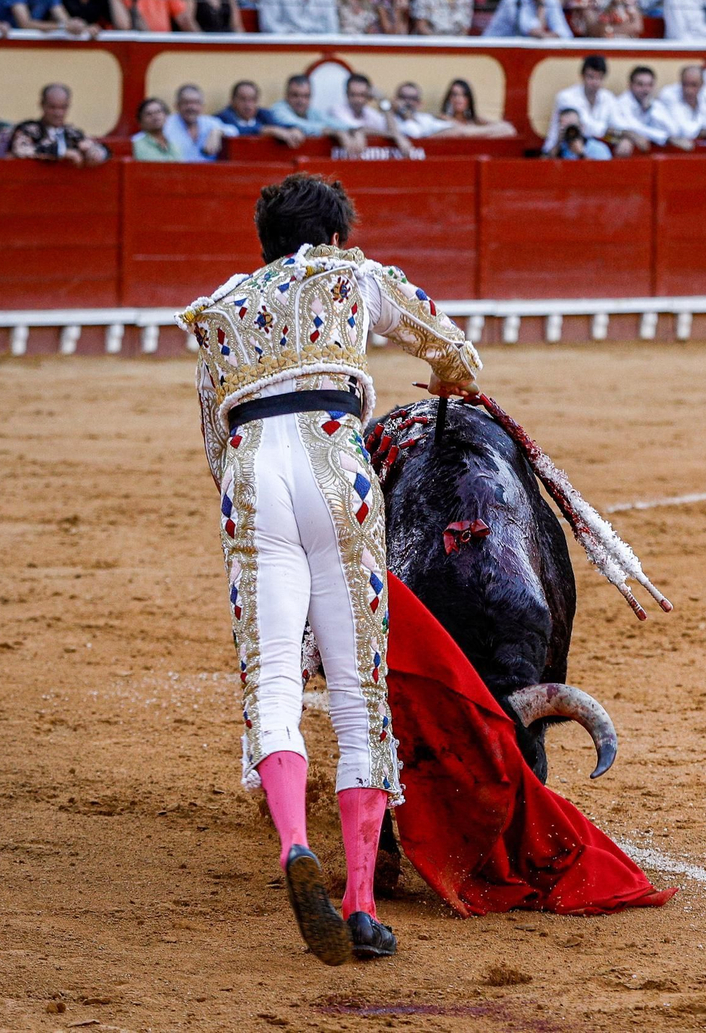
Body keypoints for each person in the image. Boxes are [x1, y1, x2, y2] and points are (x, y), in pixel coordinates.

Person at [176, 172, 481, 967]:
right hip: (336, 464)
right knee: (356, 690)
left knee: (273, 678)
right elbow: (449, 343)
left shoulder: (219, 311)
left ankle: (289, 847)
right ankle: (359, 903)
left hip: (250, 475)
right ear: (335, 236)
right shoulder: (352, 274)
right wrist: (453, 381)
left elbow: (214, 439)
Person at [8, 84, 107, 166]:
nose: (58, 113)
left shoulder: (72, 133)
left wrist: (96, 153)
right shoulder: (29, 130)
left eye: (63, 108)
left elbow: (99, 148)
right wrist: (61, 152)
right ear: (42, 105)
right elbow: (21, 150)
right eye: (52, 107)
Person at [269, 74, 365, 150]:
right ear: (286, 95)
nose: (301, 101)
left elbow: (335, 123)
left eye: (306, 96)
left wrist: (355, 131)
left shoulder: (312, 112)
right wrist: (335, 133)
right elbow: (299, 125)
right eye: (295, 95)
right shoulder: (278, 109)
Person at [543, 54, 616, 153]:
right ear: (582, 76)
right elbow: (584, 127)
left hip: (596, 144)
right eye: (591, 77)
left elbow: (617, 124)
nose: (595, 82)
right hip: (562, 147)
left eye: (599, 78)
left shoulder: (608, 97)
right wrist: (609, 131)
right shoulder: (566, 97)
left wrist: (622, 136)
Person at [218, 80, 305, 146]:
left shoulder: (263, 114)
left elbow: (279, 126)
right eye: (243, 99)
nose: (248, 105)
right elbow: (234, 131)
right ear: (232, 101)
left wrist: (294, 129)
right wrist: (267, 130)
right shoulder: (224, 116)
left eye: (253, 100)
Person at [610, 65, 675, 153]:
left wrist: (650, 110)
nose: (645, 89)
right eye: (640, 84)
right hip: (616, 142)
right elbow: (632, 128)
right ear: (630, 85)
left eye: (649, 85)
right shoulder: (621, 103)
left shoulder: (655, 104)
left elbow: (672, 129)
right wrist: (664, 138)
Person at [166, 83, 229, 162]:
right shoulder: (166, 125)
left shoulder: (210, 122)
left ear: (202, 106)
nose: (191, 107)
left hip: (209, 172)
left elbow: (234, 131)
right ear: (176, 105)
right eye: (186, 102)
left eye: (196, 103)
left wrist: (217, 132)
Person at [438, 78, 517, 137]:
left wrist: (475, 131)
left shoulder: (475, 119)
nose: (459, 99)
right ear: (449, 98)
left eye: (464, 95)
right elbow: (461, 132)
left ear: (469, 99)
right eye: (455, 94)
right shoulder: (442, 119)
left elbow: (509, 129)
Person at [326, 74, 390, 142]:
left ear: (368, 95)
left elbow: (391, 131)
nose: (357, 100)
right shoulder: (336, 111)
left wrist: (383, 100)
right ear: (347, 94)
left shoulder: (371, 113)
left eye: (362, 95)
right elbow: (354, 129)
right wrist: (384, 133)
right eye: (353, 95)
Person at [546, 106, 613, 157]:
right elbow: (544, 166)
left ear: (581, 127)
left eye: (572, 126)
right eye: (564, 126)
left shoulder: (598, 149)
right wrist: (558, 144)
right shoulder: (560, 149)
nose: (569, 131)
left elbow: (603, 173)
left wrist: (581, 154)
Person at [131, 96, 182, 161]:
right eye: (149, 114)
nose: (155, 117)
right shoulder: (135, 145)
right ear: (140, 121)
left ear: (166, 116)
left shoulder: (174, 144)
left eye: (158, 112)